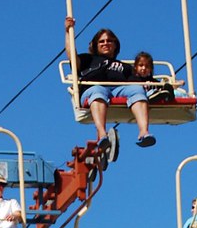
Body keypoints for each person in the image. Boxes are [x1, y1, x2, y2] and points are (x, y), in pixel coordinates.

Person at [64, 19, 156, 147]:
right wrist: (68, 32)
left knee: (137, 89)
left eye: (109, 41)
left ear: (115, 44)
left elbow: (142, 79)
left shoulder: (125, 66)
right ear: (96, 45)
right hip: (95, 88)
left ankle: (144, 132)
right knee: (98, 91)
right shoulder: (88, 59)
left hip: (119, 90)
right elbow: (71, 57)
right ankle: (102, 134)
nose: (105, 43)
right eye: (101, 41)